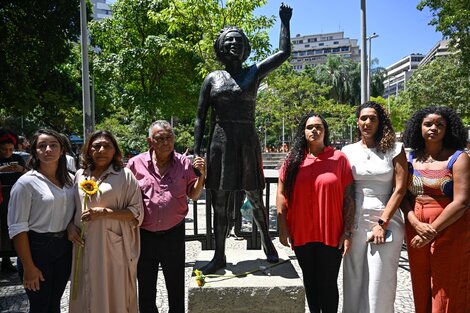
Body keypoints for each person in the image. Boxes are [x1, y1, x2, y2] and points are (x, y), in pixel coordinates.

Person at [193, 3, 292, 274]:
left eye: (239, 40)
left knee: (255, 195)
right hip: (220, 143)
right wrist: (196, 151)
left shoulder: (254, 72)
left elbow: (284, 52)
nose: (234, 44)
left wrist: (284, 22)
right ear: (221, 48)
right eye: (229, 41)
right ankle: (220, 254)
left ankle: (267, 244)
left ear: (245, 46)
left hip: (247, 140)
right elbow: (200, 116)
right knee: (220, 201)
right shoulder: (212, 79)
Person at [276, 113, 355, 313]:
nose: (314, 130)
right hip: (302, 232)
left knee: (328, 283)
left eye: (318, 127)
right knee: (310, 282)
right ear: (303, 132)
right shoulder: (293, 161)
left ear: (325, 131)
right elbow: (281, 194)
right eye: (310, 127)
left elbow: (348, 197)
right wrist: (283, 226)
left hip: (331, 232)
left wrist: (347, 231)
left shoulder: (339, 158)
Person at [127, 120, 206, 313]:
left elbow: (193, 195)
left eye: (169, 137)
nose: (165, 142)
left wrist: (202, 175)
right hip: (144, 234)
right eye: (160, 138)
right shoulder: (135, 164)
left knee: (175, 285)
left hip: (174, 233)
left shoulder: (183, 163)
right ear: (150, 141)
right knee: (145, 287)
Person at [401, 106, 469, 313]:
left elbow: (462, 201)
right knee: (420, 281)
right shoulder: (410, 158)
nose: (433, 128)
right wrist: (414, 222)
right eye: (428, 124)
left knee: (447, 283)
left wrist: (432, 231)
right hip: (417, 227)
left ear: (449, 129)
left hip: (451, 227)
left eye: (440, 125)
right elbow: (403, 195)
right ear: (418, 127)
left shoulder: (459, 158)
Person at [341, 102, 408, 313]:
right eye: (363, 118)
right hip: (355, 219)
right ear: (357, 121)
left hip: (386, 218)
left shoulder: (395, 149)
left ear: (381, 122)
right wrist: (346, 227)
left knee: (380, 282)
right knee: (353, 280)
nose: (367, 122)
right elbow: (346, 190)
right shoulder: (347, 151)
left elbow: (400, 189)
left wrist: (382, 222)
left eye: (372, 118)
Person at [67, 130, 144, 313]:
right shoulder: (80, 175)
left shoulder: (125, 176)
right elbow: (71, 209)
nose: (101, 150)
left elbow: (136, 212)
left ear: (115, 150)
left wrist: (105, 213)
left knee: (113, 291)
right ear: (88, 149)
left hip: (112, 247)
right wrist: (70, 227)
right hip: (83, 245)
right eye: (96, 146)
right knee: (84, 290)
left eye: (107, 146)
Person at [7, 129, 75, 312]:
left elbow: (72, 211)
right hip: (36, 249)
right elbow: (17, 228)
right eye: (42, 146)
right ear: (35, 151)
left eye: (53, 145)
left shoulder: (71, 180)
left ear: (62, 150)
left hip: (63, 248)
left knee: (54, 304)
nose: (48, 149)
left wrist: (69, 226)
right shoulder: (26, 183)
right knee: (40, 306)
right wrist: (28, 266)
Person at [0, 129, 26, 272]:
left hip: (14, 197)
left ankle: (11, 257)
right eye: (4, 149)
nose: (7, 152)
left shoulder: (18, 158)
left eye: (10, 149)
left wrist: (20, 168)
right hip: (1, 199)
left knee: (13, 225)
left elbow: (27, 172)